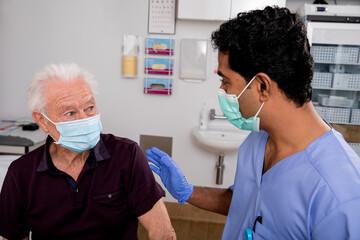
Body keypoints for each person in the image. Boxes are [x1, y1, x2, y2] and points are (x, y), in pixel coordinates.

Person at [146, 6, 360, 240]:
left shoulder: (340, 194)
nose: (222, 90)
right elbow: (245, 203)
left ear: (262, 86)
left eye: (226, 81)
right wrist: (187, 192)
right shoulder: (257, 141)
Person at [0, 63, 176, 240]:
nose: (84, 119)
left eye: (89, 108)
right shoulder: (21, 174)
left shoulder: (126, 155)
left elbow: (163, 233)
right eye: (70, 113)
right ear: (42, 121)